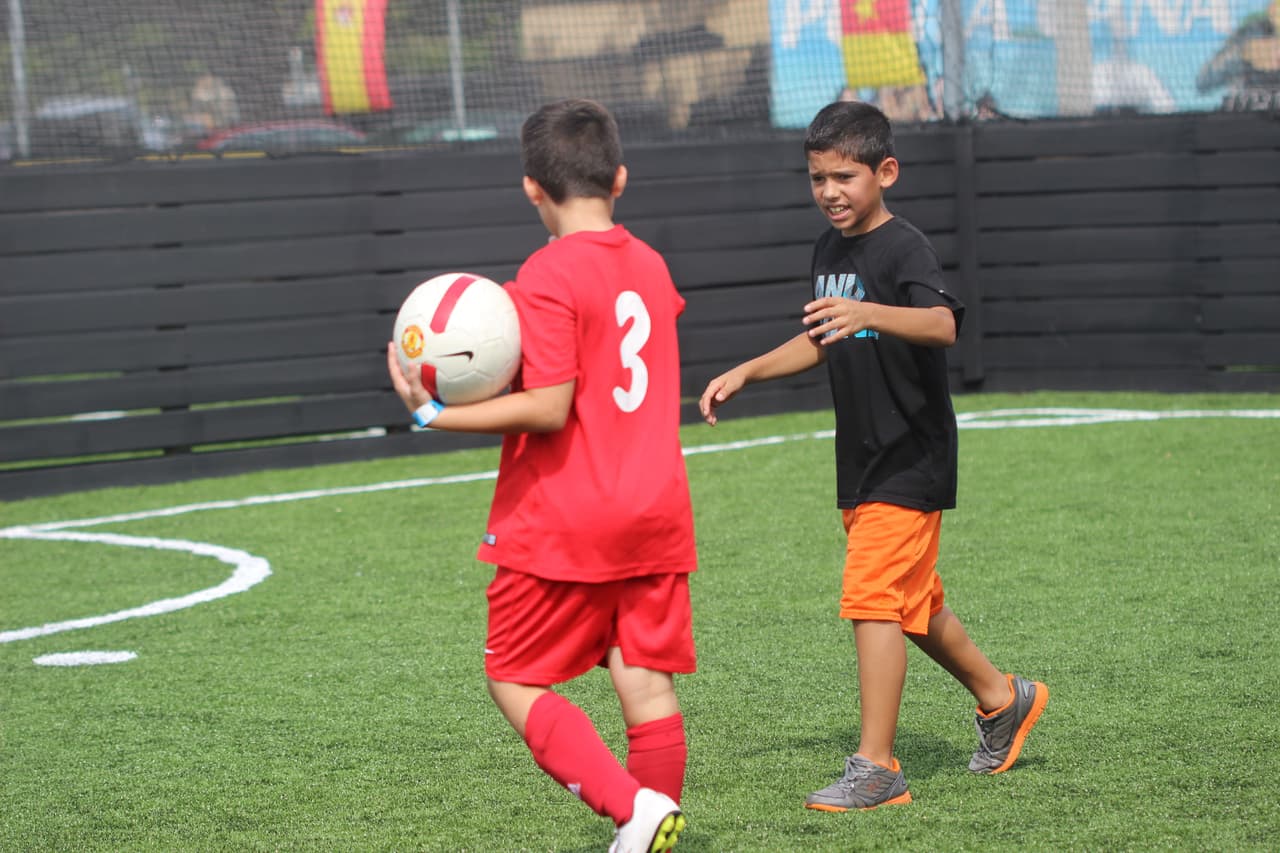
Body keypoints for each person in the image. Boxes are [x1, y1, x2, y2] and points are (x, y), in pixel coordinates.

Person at [698, 100, 1047, 811]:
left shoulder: (903, 248)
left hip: (909, 457)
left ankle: (878, 767)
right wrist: (748, 370)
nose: (830, 191)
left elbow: (942, 323)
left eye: (845, 176)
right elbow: (821, 335)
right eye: (818, 177)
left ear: (885, 172)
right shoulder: (828, 251)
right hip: (859, 462)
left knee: (869, 600)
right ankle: (1001, 696)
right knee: (912, 606)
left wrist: (871, 312)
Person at [386, 98, 693, 853]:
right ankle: (654, 824)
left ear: (532, 188)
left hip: (568, 515)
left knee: (514, 679)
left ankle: (634, 810)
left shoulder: (548, 270)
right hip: (655, 509)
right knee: (645, 684)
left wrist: (433, 414)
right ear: (620, 177)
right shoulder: (650, 265)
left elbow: (551, 406)